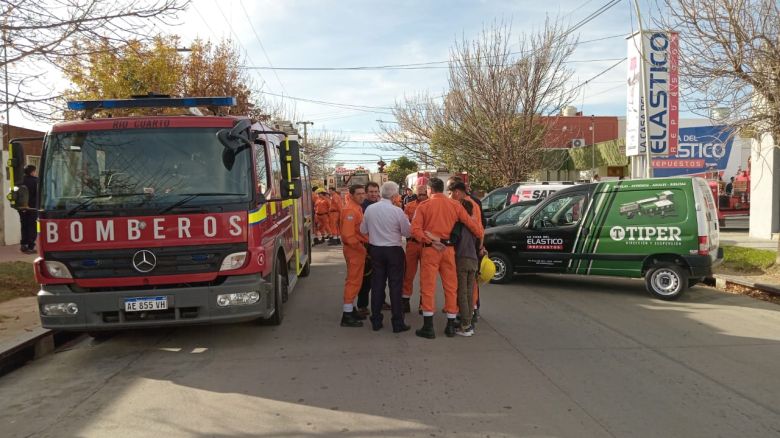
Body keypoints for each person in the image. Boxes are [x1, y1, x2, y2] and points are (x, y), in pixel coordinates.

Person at [411, 178, 483, 339]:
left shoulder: (424, 206)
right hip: (449, 250)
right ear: (442, 189)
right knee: (451, 287)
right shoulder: (455, 205)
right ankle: (450, 325)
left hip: (431, 250)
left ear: (430, 189)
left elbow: (415, 230)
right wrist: (480, 239)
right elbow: (472, 225)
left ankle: (428, 327)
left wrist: (430, 240)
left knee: (428, 287)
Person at [360, 181, 412, 333]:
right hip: (394, 250)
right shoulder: (397, 211)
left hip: (375, 249)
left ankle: (376, 320)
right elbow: (407, 233)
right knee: (395, 287)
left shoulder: (370, 209)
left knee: (377, 285)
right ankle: (397, 322)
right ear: (395, 195)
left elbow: (363, 229)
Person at [339, 184, 369, 327]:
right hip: (354, 249)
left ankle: (351, 310)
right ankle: (347, 315)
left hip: (356, 248)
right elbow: (348, 236)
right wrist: (361, 248)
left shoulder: (356, 207)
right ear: (351, 195)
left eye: (363, 193)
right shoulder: (350, 210)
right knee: (353, 281)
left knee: (356, 281)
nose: (362, 196)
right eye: (358, 194)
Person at [454, 199, 481, 337]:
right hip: (474, 260)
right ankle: (469, 322)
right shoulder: (474, 224)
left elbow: (453, 241)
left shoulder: (460, 225)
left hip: (462, 259)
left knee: (462, 293)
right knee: (470, 293)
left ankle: (465, 325)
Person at [401, 184, 428, 313]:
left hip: (427, 245)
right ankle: (405, 301)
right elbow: (405, 224)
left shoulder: (432, 206)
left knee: (426, 275)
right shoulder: (409, 206)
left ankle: (424, 303)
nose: (422, 196)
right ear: (416, 193)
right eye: (420, 193)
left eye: (424, 193)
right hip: (412, 243)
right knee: (408, 274)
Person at [356, 181, 382, 315]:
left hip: (380, 245)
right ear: (366, 193)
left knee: (382, 276)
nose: (374, 194)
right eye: (371, 192)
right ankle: (362, 305)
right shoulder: (361, 207)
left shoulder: (381, 205)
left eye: (376, 191)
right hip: (367, 246)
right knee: (366, 278)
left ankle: (381, 301)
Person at [18, 165, 38, 254]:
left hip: (22, 207)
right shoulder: (36, 181)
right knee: (32, 227)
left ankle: (23, 244)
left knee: (24, 225)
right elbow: (38, 194)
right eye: (35, 171)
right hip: (32, 207)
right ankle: (31, 247)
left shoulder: (20, 181)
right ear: (32, 172)